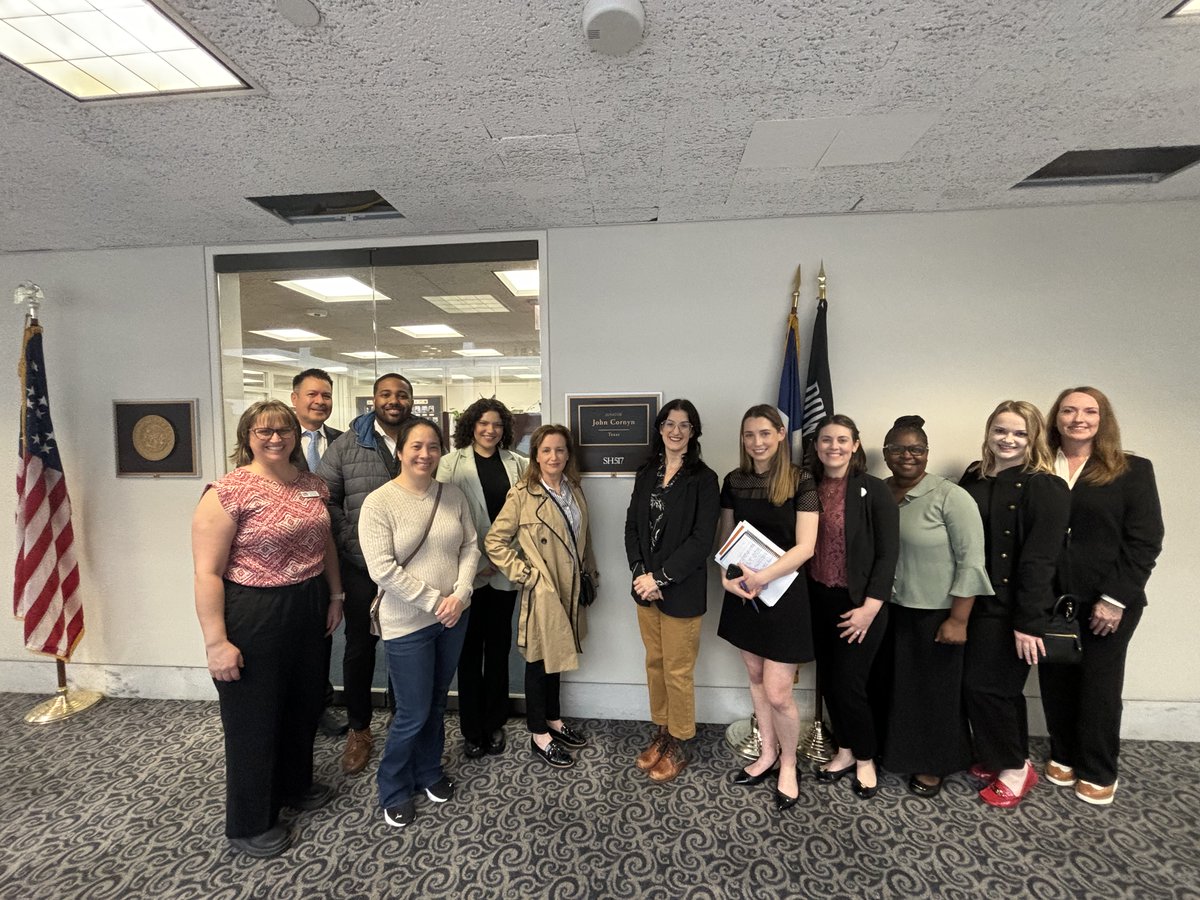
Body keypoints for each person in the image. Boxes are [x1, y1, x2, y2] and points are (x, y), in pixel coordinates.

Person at [191, 400, 344, 858]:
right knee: (253, 719)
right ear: (248, 436)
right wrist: (216, 641)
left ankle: (295, 785)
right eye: (265, 431)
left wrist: (335, 596)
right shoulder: (227, 490)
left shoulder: (313, 485)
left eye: (284, 430)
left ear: (296, 435)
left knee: (302, 704)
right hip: (253, 609)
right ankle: (249, 820)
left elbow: (327, 544)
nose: (275, 438)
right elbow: (206, 573)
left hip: (309, 601)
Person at [1038, 386, 1163, 806]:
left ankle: (1098, 768)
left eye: (1089, 411)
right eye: (1069, 410)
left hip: (1107, 600)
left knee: (1098, 685)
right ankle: (1065, 753)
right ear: (1056, 418)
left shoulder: (1131, 470)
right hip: (1052, 597)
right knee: (1055, 677)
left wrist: (1115, 598)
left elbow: (1145, 541)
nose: (1078, 418)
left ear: (1102, 419)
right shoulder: (1040, 466)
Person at [359, 416, 479, 828]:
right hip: (407, 622)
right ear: (400, 451)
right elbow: (382, 569)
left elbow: (470, 546)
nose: (425, 454)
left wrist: (460, 595)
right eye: (416, 446)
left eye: (432, 446)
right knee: (411, 711)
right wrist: (436, 601)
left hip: (452, 618)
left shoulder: (453, 495)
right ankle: (392, 785)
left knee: (435, 700)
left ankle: (428, 772)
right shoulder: (379, 503)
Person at [959, 401, 1071, 808]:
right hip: (971, 598)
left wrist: (1030, 622)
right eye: (1000, 431)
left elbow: (1042, 559)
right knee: (987, 688)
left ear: (1034, 438)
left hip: (1012, 608)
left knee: (991, 687)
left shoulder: (1046, 486)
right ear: (989, 432)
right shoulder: (975, 474)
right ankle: (1002, 753)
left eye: (1020, 433)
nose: (1008, 440)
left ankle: (1015, 769)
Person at [879, 414, 991, 798]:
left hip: (935, 614)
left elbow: (972, 561)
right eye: (897, 448)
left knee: (933, 693)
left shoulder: (951, 497)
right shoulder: (878, 492)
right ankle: (895, 752)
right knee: (897, 688)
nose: (906, 455)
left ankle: (933, 763)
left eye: (916, 449)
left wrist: (959, 618)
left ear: (927, 453)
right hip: (888, 609)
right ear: (885, 452)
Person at [717, 405, 819, 813]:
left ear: (781, 434)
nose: (756, 442)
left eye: (764, 433)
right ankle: (767, 753)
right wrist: (728, 577)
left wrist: (764, 577)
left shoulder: (800, 479)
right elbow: (725, 542)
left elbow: (806, 547)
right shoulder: (734, 480)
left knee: (779, 693)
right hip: (744, 594)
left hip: (786, 594)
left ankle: (790, 764)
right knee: (756, 676)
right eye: (748, 435)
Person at [485, 424, 599, 769]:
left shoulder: (574, 489)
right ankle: (539, 734)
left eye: (560, 450)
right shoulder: (523, 494)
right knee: (538, 660)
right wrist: (527, 576)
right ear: (535, 455)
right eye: (546, 450)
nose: (554, 457)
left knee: (558, 655)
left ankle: (553, 719)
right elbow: (494, 541)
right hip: (544, 589)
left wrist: (591, 575)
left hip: (572, 586)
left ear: (568, 455)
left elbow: (585, 538)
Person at [316, 373, 413, 775]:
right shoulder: (345, 446)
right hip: (361, 567)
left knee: (408, 644)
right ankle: (359, 728)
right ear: (372, 400)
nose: (394, 400)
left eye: (402, 395)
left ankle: (406, 719)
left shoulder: (423, 440)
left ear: (411, 400)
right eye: (386, 394)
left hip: (412, 565)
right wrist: (352, 541)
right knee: (359, 649)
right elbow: (326, 500)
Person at [623, 399, 720, 783]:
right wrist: (640, 573)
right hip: (645, 588)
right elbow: (631, 525)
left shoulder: (704, 478)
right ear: (660, 428)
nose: (676, 431)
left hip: (680, 591)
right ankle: (662, 732)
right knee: (655, 664)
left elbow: (701, 541)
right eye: (669, 423)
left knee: (678, 671)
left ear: (693, 432)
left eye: (684, 425)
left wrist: (660, 577)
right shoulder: (647, 471)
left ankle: (680, 741)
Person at [805, 415, 898, 800]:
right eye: (826, 440)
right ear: (816, 446)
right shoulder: (807, 487)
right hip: (817, 600)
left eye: (842, 440)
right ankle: (843, 750)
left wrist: (870, 609)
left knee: (850, 683)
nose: (834, 447)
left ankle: (865, 758)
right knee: (828, 679)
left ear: (856, 445)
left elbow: (888, 555)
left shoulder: (874, 490)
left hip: (860, 604)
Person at [436, 398, 528, 759]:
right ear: (471, 425)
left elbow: (524, 518)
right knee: (469, 653)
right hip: (467, 574)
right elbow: (444, 519)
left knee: (499, 648)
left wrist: (501, 558)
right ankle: (472, 730)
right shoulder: (449, 464)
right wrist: (477, 562)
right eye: (483, 423)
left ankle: (494, 722)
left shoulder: (518, 464)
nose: (490, 430)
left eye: (498, 425)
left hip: (505, 570)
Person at [291, 367, 348, 738]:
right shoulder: (277, 442)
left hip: (331, 550)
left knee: (323, 636)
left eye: (326, 395)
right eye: (312, 394)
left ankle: (319, 704)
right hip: (285, 558)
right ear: (295, 398)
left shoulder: (343, 441)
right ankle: (293, 709)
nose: (320, 401)